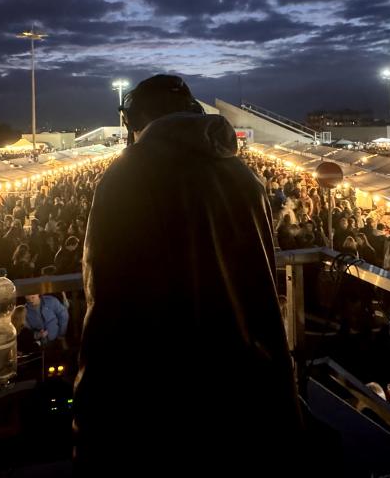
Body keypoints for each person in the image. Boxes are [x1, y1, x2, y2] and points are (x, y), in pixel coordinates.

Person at [74, 75, 301, 472]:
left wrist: (89, 420)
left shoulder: (125, 178)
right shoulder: (245, 179)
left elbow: (106, 303)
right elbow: (263, 289)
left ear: (136, 122)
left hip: (163, 398)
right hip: (245, 392)